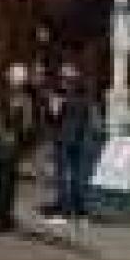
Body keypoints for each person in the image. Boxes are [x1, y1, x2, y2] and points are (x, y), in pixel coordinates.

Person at [0, 63, 37, 233]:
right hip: (9, 146)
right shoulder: (23, 99)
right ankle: (2, 219)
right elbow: (26, 125)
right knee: (6, 184)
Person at [49, 63, 96, 228]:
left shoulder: (63, 95)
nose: (63, 80)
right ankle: (80, 213)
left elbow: (55, 116)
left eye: (65, 77)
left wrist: (57, 104)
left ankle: (65, 211)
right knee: (76, 177)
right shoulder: (83, 94)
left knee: (65, 177)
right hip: (78, 138)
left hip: (66, 139)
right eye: (62, 76)